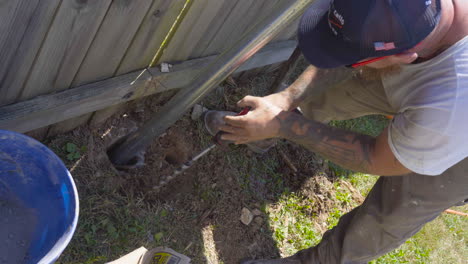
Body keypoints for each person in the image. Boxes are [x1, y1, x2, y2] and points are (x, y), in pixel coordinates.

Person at [217, 0, 468, 263]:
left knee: (391, 212)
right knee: (352, 82)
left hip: (460, 150)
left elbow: (377, 158)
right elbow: (347, 49)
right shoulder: (402, 25)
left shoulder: (450, 106)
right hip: (426, 77)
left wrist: (284, 124)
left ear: (403, 55)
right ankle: (261, 125)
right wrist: (285, 101)